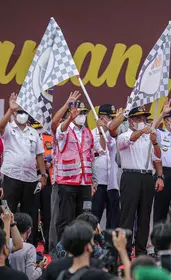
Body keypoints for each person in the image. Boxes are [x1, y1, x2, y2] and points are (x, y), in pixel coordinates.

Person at [0, 93, 47, 247]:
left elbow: (39, 155)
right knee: (7, 210)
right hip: (11, 177)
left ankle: (29, 246)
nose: (22, 114)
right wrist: (10, 111)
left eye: (24, 112)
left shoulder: (34, 132)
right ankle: (3, 246)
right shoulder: (8, 129)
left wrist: (43, 175)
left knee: (30, 213)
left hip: (30, 179)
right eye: (19, 112)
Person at [117, 106, 164, 257]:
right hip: (130, 176)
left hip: (147, 177)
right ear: (130, 120)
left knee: (145, 215)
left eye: (143, 119)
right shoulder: (124, 135)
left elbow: (158, 156)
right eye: (138, 119)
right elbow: (130, 140)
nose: (142, 121)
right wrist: (142, 131)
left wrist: (155, 142)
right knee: (128, 216)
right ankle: (125, 251)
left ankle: (141, 250)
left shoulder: (148, 138)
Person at [55, 101, 96, 241]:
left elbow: (91, 157)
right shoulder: (65, 129)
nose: (82, 115)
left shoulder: (87, 132)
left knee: (84, 219)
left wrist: (93, 182)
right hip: (67, 182)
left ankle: (81, 250)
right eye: (79, 112)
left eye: (84, 113)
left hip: (85, 184)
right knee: (65, 219)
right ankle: (63, 250)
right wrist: (69, 119)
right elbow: (60, 132)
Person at [49, 91, 82, 254]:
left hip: (77, 183)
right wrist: (67, 105)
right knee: (58, 218)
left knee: (73, 218)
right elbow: (54, 122)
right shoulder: (60, 132)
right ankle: (56, 250)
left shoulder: (80, 133)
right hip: (60, 181)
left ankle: (71, 249)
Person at [152, 99, 171, 224]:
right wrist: (162, 114)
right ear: (166, 122)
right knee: (161, 209)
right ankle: (158, 240)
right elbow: (152, 128)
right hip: (164, 173)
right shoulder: (160, 133)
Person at [92, 104, 120, 229]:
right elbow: (101, 149)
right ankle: (92, 244)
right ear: (102, 118)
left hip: (112, 181)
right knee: (95, 215)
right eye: (110, 117)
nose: (111, 120)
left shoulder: (114, 134)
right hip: (98, 181)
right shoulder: (91, 133)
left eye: (113, 118)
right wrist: (100, 132)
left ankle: (110, 244)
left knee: (113, 216)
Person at [28, 116, 52, 254]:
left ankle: (49, 243)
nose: (38, 130)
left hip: (47, 179)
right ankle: (32, 244)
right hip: (31, 178)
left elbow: (54, 154)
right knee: (32, 213)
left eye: (40, 126)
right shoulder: (27, 137)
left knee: (48, 213)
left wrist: (50, 162)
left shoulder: (49, 137)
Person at [8, 213, 44, 280]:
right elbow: (30, 277)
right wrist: (40, 268)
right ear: (29, 230)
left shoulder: (5, 242)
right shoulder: (29, 248)